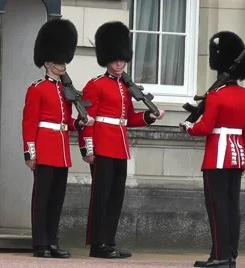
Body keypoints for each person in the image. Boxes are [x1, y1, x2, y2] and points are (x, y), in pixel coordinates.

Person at [78, 21, 166, 259]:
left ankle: (109, 241)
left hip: (120, 147)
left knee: (116, 198)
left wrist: (150, 116)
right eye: (116, 59)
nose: (119, 63)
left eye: (122, 60)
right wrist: (87, 149)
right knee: (101, 197)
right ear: (107, 59)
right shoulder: (95, 85)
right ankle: (98, 245)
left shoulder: (126, 88)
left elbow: (128, 119)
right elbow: (86, 120)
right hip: (103, 148)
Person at [179, 31, 245, 268]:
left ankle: (220, 256)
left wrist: (188, 127)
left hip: (217, 158)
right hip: (238, 158)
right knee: (232, 207)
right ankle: (228, 255)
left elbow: (205, 127)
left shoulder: (216, 96)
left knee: (216, 208)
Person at [22, 18, 94, 258]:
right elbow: (30, 123)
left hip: (61, 151)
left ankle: (52, 241)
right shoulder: (37, 88)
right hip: (44, 149)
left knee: (56, 200)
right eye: (57, 60)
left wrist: (79, 122)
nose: (62, 64)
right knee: (41, 200)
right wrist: (30, 153)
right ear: (47, 62)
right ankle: (40, 243)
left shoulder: (66, 90)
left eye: (64, 60)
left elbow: (66, 122)